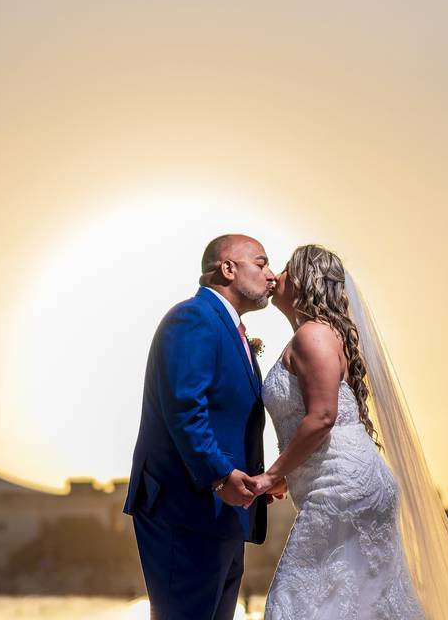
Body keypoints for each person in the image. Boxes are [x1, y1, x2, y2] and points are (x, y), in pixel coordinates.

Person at [246, 244, 448, 620]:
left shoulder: (313, 335)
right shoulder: (318, 336)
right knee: (362, 606)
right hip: (349, 484)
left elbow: (323, 416)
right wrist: (288, 476)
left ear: (307, 281)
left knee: (292, 604)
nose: (277, 275)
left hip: (342, 488)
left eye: (288, 269)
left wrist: (271, 476)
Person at [122, 234, 283, 620]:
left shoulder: (230, 328)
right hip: (187, 507)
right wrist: (219, 475)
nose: (271, 275)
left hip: (222, 512)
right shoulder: (193, 318)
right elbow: (184, 407)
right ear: (228, 268)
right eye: (261, 264)